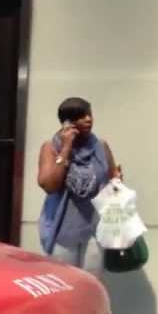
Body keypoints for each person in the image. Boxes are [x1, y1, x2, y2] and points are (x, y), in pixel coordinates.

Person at [37, 97, 123, 273]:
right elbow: (49, 184)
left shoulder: (101, 146)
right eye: (81, 116)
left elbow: (113, 177)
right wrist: (67, 147)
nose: (88, 119)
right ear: (66, 122)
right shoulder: (51, 147)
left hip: (94, 230)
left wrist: (117, 182)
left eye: (89, 114)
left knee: (91, 285)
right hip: (63, 232)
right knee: (63, 286)